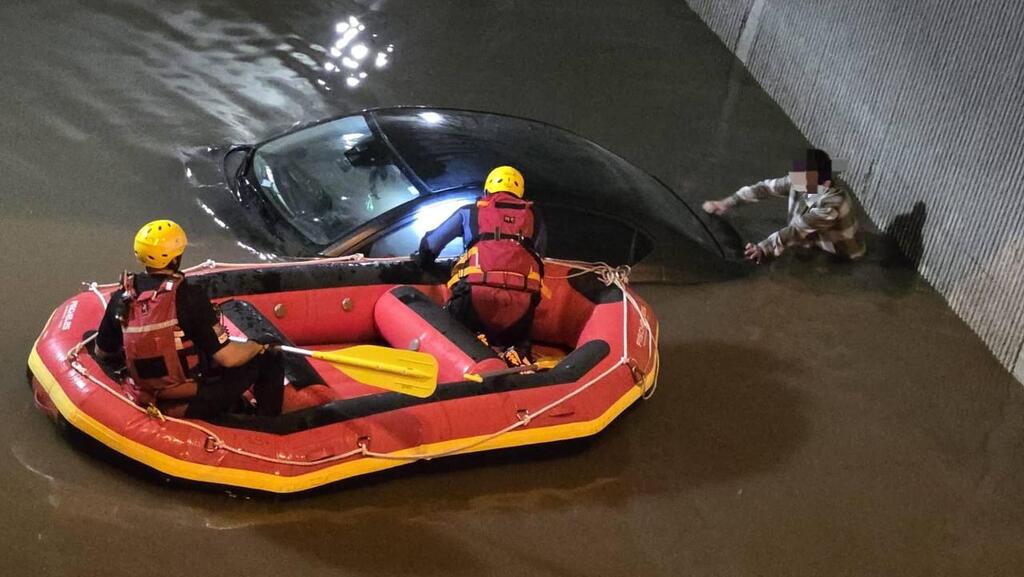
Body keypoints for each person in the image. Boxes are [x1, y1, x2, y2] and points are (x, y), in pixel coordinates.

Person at [95, 219, 284, 419]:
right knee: (269, 354)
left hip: (145, 391)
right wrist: (257, 345)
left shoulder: (122, 296)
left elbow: (102, 351)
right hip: (191, 398)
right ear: (175, 259)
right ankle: (268, 421)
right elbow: (228, 358)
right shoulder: (189, 297)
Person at [413, 166, 547, 364]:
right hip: (521, 305)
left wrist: (424, 262)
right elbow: (539, 258)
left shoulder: (470, 211)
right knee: (519, 341)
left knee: (446, 331)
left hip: (474, 298)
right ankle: (518, 353)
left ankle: (475, 343)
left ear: (487, 190)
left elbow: (431, 244)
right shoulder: (535, 217)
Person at [703, 149, 865, 264]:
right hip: (814, 240)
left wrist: (763, 248)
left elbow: (797, 230)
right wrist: (727, 202)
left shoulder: (832, 204)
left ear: (825, 184)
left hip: (840, 256)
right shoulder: (805, 179)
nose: (798, 183)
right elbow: (765, 188)